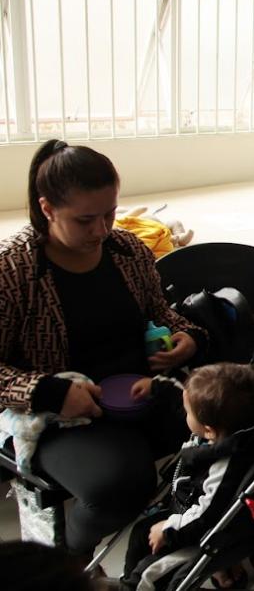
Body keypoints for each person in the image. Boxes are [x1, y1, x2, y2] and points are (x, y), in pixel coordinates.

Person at [0, 140, 205, 559]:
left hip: (141, 388)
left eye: (110, 213)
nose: (101, 230)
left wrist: (188, 338)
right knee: (120, 486)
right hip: (63, 414)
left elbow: (160, 314)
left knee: (229, 428)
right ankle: (70, 561)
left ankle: (182, 536)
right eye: (85, 220)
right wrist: (52, 393)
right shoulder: (14, 268)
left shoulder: (126, 250)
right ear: (47, 209)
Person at [120, 363, 254, 590]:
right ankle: (127, 581)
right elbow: (185, 398)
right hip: (183, 510)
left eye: (188, 412)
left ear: (208, 429)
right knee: (140, 533)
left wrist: (169, 531)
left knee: (148, 573)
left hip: (199, 534)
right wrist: (156, 386)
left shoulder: (225, 467)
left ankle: (132, 585)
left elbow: (206, 516)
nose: (185, 412)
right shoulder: (220, 428)